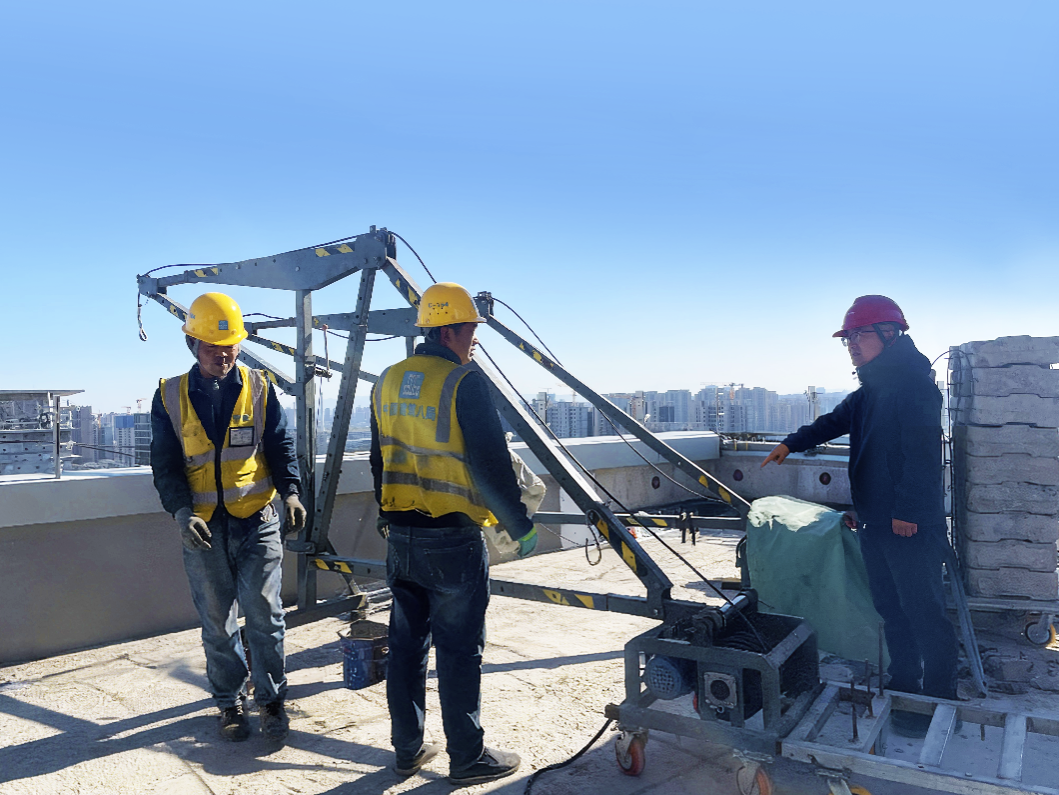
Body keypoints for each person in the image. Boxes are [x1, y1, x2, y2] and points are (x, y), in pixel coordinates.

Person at [761, 295, 959, 734]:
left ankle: (942, 699)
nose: (851, 344)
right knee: (892, 608)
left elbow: (921, 456)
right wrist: (791, 443)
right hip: (875, 520)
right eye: (848, 337)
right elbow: (833, 421)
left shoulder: (913, 386)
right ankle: (906, 685)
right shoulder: (871, 389)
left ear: (890, 334)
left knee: (924, 610)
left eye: (860, 334)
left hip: (908, 525)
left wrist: (906, 512)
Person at [370, 282, 539, 784]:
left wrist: (388, 511)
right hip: (452, 542)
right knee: (460, 652)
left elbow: (379, 458)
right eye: (470, 330)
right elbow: (490, 466)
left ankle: (407, 749)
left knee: (406, 649)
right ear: (448, 329)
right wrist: (520, 526)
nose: (474, 341)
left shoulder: (387, 380)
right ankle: (467, 758)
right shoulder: (464, 383)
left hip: (400, 538)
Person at [150, 292, 306, 743]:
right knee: (217, 621)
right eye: (214, 347)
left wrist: (292, 493)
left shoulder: (259, 387)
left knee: (265, 614)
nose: (224, 354)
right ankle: (229, 703)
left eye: (231, 345)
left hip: (256, 519)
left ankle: (272, 700)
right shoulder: (169, 396)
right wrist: (181, 513)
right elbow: (166, 466)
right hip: (203, 529)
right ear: (193, 345)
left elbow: (280, 446)